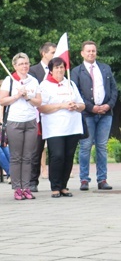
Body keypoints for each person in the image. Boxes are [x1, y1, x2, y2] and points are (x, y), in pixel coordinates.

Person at [71, 41, 118, 191]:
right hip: (87, 114)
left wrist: (108, 105)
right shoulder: (77, 71)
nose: (91, 53)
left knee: (102, 147)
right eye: (88, 51)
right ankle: (84, 179)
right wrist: (92, 107)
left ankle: (102, 179)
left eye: (93, 51)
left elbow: (114, 90)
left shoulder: (105, 68)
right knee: (85, 146)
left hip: (105, 113)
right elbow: (76, 93)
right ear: (82, 53)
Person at [39, 58, 85, 198]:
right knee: (57, 156)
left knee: (68, 156)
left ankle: (64, 186)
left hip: (72, 127)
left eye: (61, 67)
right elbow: (42, 107)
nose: (59, 70)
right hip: (54, 128)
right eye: (56, 67)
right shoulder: (45, 85)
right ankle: (55, 186)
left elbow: (82, 105)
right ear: (51, 70)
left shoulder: (70, 83)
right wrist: (62, 105)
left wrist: (76, 106)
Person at [0, 53, 42, 201]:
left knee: (28, 156)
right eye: (21, 63)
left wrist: (28, 97)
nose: (25, 66)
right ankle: (17, 188)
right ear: (15, 66)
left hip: (30, 121)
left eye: (27, 63)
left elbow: (39, 102)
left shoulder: (33, 81)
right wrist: (17, 96)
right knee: (16, 156)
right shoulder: (9, 80)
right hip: (14, 121)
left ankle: (26, 187)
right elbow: (3, 101)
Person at [28, 42, 56, 192]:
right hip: (38, 115)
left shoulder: (58, 70)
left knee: (55, 149)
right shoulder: (33, 71)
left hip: (53, 114)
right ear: (44, 54)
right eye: (52, 52)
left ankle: (56, 181)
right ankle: (33, 181)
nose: (54, 56)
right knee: (36, 149)